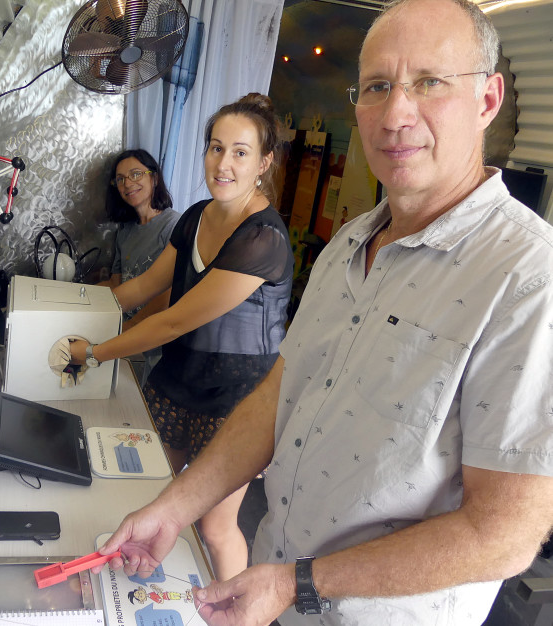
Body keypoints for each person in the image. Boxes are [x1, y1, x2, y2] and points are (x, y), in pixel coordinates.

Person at [91, 1, 553, 624]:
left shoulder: (528, 278)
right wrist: (173, 509)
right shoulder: (349, 243)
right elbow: (277, 396)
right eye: (378, 87)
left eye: (430, 82)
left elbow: (503, 535)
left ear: (487, 100)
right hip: (276, 584)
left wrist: (299, 583)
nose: (396, 114)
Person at [71, 93, 294, 581]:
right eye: (216, 148)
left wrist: (95, 353)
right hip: (178, 378)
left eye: (240, 152)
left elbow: (175, 320)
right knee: (153, 493)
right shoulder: (196, 215)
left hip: (235, 398)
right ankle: (151, 592)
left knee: (215, 526)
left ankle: (233, 608)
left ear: (264, 162)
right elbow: (143, 287)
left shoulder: (263, 238)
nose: (223, 163)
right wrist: (77, 312)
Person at [103, 150, 180, 381]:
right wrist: (77, 297)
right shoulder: (125, 231)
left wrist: (131, 329)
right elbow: (116, 283)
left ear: (154, 178)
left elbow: (168, 294)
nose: (128, 184)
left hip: (156, 341)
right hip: (127, 335)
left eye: (136, 174)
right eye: (120, 179)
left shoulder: (174, 225)